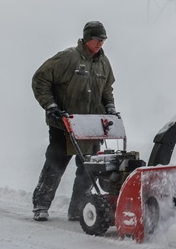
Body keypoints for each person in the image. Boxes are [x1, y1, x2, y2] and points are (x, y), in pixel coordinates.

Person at [31, 21, 118, 221]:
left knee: (88, 170)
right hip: (64, 124)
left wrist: (110, 108)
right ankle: (41, 206)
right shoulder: (68, 58)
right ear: (87, 38)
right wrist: (50, 106)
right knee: (55, 165)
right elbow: (40, 78)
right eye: (97, 39)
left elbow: (107, 90)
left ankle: (77, 209)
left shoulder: (104, 63)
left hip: (90, 126)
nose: (100, 43)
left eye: (103, 40)